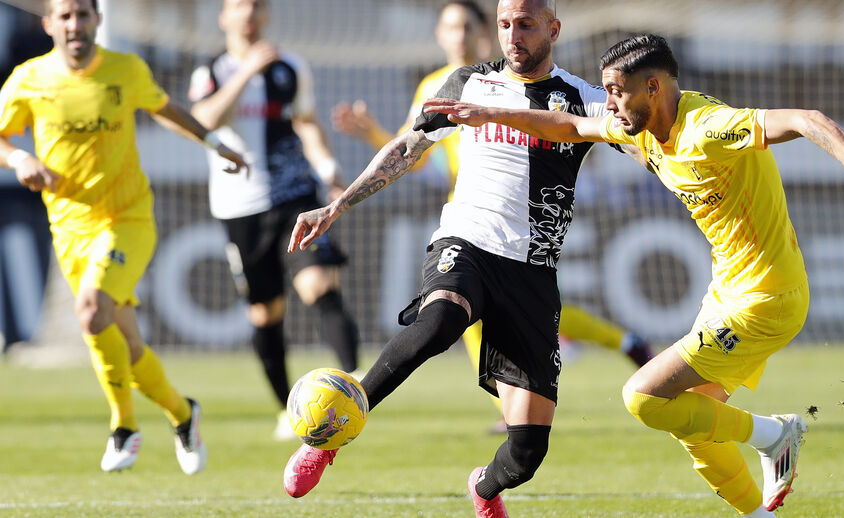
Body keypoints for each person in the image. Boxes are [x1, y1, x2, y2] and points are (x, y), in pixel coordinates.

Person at [423, 34, 844, 516]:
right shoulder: (637, 128)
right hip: (729, 293)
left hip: (766, 299)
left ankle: (775, 434)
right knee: (694, 424)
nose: (607, 103)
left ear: (653, 87)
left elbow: (806, 120)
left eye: (616, 91)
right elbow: (568, 126)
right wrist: (491, 114)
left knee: (643, 396)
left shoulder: (708, 126)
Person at [282, 1, 651, 515]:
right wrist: (338, 204)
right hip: (467, 241)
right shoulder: (467, 83)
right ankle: (330, 432)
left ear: (553, 29)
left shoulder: (583, 100)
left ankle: (483, 487)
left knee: (526, 452)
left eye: (525, 24)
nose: (512, 35)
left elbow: (646, 148)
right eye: (504, 24)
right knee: (442, 318)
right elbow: (408, 148)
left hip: (532, 270)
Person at [0, 0, 248, 474]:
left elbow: (166, 109)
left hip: (127, 218)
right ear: (49, 24)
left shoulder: (125, 69)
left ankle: (124, 427)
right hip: (70, 227)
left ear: (98, 20)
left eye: (83, 15)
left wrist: (216, 145)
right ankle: (182, 413)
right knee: (126, 345)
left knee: (92, 311)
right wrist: (19, 159)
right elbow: (2, 136)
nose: (75, 25)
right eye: (66, 16)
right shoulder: (28, 79)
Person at [188, 0, 361, 441]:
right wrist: (247, 71)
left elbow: (305, 122)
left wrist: (327, 168)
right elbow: (204, 121)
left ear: (265, 16)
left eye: (257, 6)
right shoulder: (210, 72)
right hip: (238, 208)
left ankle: (355, 389)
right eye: (239, 6)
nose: (248, 14)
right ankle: (292, 409)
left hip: (293, 198)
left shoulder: (290, 68)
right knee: (266, 314)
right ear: (223, 17)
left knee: (319, 285)